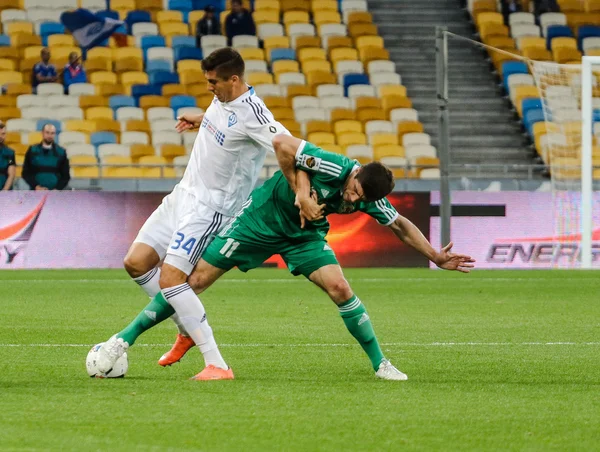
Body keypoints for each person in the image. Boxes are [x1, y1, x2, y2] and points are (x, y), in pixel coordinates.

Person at [96, 136, 475, 381]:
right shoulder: (336, 165)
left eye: (361, 200)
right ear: (356, 173)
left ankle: (380, 364)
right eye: (356, 191)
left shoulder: (368, 194)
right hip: (258, 221)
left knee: (340, 287)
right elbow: (288, 150)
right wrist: (302, 192)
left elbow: (400, 224)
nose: (354, 200)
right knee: (191, 281)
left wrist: (433, 256)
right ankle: (124, 340)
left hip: (304, 236)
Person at [96, 47, 290, 381]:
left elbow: (286, 143)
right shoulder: (222, 100)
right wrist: (203, 119)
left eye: (214, 81)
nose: (209, 87)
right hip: (183, 195)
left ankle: (216, 364)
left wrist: (303, 189)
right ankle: (185, 326)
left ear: (234, 79)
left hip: (211, 208)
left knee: (172, 280)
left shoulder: (254, 114)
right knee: (136, 262)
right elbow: (222, 121)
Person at [22, 124, 70, 191]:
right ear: (42, 133)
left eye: (52, 133)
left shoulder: (61, 152)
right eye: (47, 132)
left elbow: (65, 176)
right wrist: (36, 186)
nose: (50, 136)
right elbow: (26, 173)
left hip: (55, 194)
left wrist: (57, 189)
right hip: (36, 193)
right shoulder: (32, 150)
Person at [0, 121, 16, 191]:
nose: (0, 137)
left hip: (5, 193)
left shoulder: (10, 153)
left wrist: (4, 191)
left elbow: (11, 175)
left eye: (3, 134)